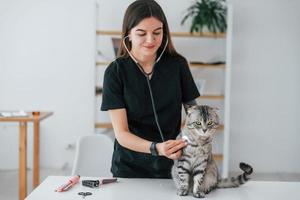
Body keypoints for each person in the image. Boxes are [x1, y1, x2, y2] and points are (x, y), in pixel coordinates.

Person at [101, 0, 200, 178]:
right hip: (129, 168)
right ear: (128, 34)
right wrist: (157, 148)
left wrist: (183, 141)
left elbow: (195, 115)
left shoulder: (178, 65)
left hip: (173, 166)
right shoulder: (115, 72)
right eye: (141, 33)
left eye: (157, 32)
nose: (150, 40)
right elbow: (122, 134)